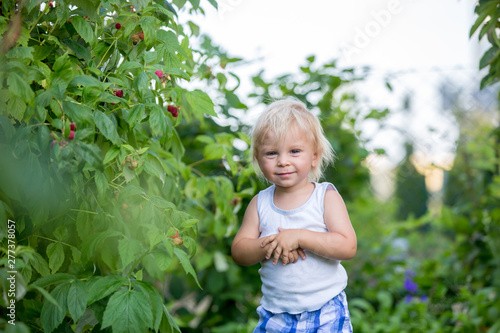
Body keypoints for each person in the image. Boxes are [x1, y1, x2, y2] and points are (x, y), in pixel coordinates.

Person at [231, 98, 357, 332]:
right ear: (258, 160)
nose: (283, 161)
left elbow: (347, 246)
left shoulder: (324, 197)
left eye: (295, 151)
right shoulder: (260, 203)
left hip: (326, 310)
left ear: (314, 156)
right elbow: (239, 251)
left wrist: (300, 237)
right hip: (276, 315)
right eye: (271, 153)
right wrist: (272, 244)